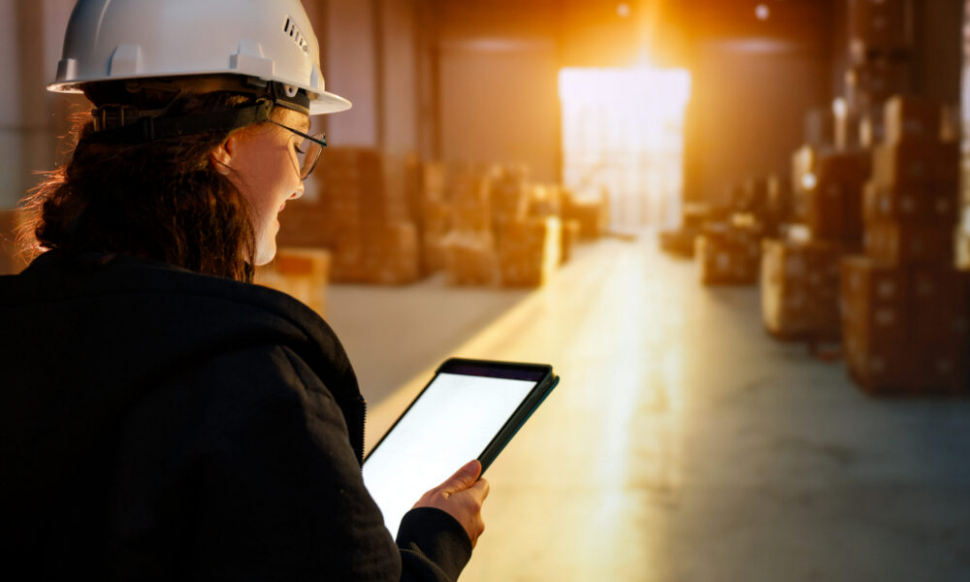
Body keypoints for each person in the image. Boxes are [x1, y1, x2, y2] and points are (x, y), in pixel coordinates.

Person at [0, 1, 488, 580]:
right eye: (296, 140)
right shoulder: (259, 394)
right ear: (224, 144)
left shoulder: (21, 329)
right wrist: (435, 542)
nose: (297, 186)